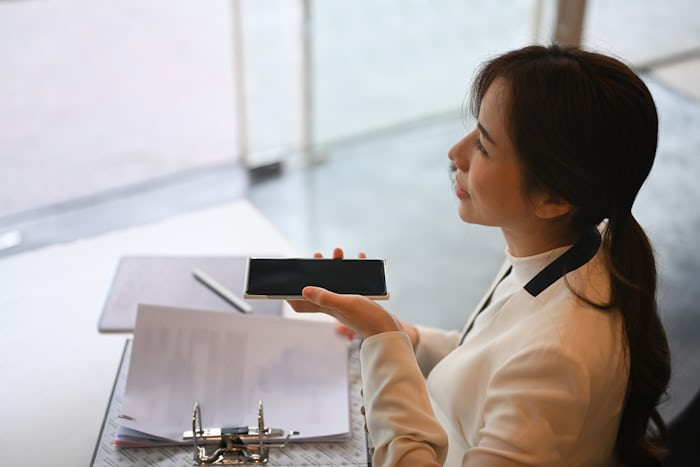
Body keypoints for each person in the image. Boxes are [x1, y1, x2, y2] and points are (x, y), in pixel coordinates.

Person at [289, 44, 671, 466]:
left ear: (553, 198)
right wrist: (404, 336)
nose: (456, 152)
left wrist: (383, 342)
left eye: (484, 147)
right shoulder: (566, 251)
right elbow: (488, 367)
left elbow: (523, 362)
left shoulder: (557, 356)